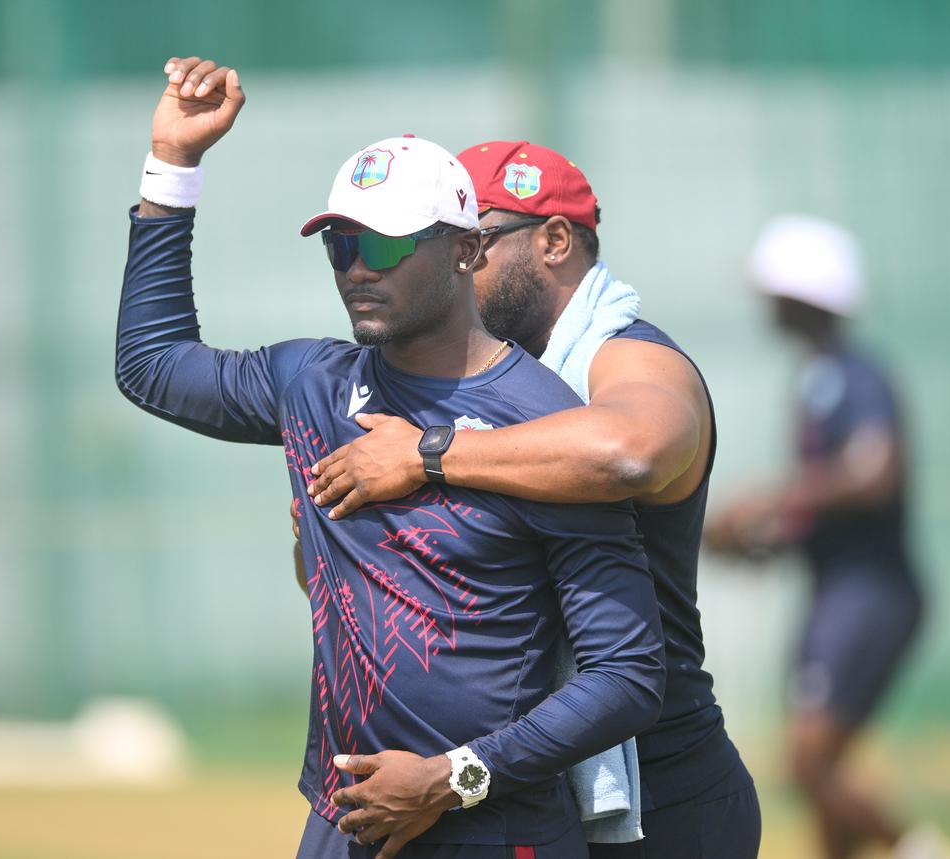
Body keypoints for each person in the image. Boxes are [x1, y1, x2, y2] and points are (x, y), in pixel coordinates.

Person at [116, 57, 665, 858]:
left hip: (492, 827)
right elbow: (152, 365)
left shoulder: (542, 424)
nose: (358, 267)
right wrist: (175, 161)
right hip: (345, 822)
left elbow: (626, 676)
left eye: (385, 241)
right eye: (340, 243)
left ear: (466, 251)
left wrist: (451, 778)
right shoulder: (311, 382)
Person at [303, 141, 761, 858]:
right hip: (528, 786)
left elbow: (629, 450)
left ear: (552, 240)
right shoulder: (479, 382)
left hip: (663, 793)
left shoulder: (629, 355)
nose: (452, 262)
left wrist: (428, 453)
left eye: (474, 240)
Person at [705, 215, 933, 859]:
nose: (765, 303)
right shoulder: (817, 381)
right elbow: (826, 511)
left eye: (774, 290)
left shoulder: (854, 376)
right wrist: (759, 543)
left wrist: (774, 498)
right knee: (821, 768)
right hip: (839, 590)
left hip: (870, 593)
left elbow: (875, 472)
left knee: (809, 761)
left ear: (803, 296)